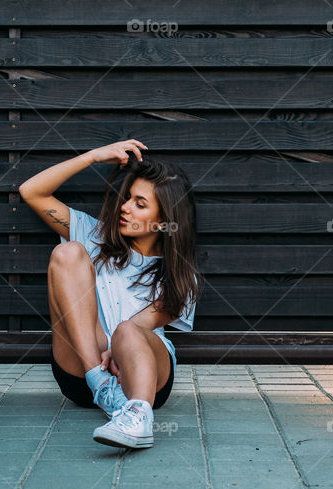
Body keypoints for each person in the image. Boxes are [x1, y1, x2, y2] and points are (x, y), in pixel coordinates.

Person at [18, 139, 200, 449]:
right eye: (128, 198)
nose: (125, 207)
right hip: (82, 369)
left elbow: (137, 329)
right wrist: (91, 156)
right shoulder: (92, 236)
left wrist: (118, 346)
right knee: (68, 254)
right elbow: (31, 191)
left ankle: (138, 416)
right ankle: (100, 385)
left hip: (141, 374)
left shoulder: (179, 274)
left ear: (164, 220)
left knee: (127, 330)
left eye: (139, 204)